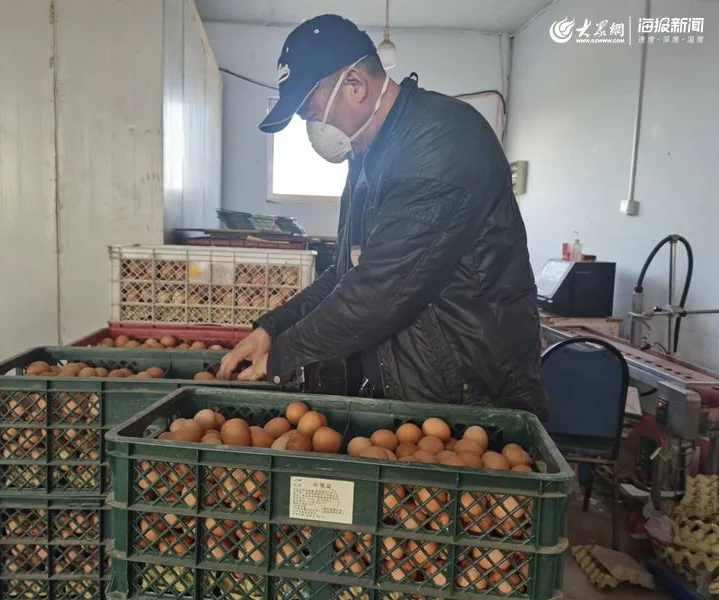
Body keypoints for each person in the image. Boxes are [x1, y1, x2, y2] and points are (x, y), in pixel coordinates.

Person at [218, 14, 547, 418]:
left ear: (354, 85)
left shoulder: (442, 141)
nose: (311, 127)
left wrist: (285, 355)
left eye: (309, 111)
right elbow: (347, 276)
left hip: (469, 397)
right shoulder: (367, 159)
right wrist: (273, 328)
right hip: (412, 389)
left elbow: (380, 290)